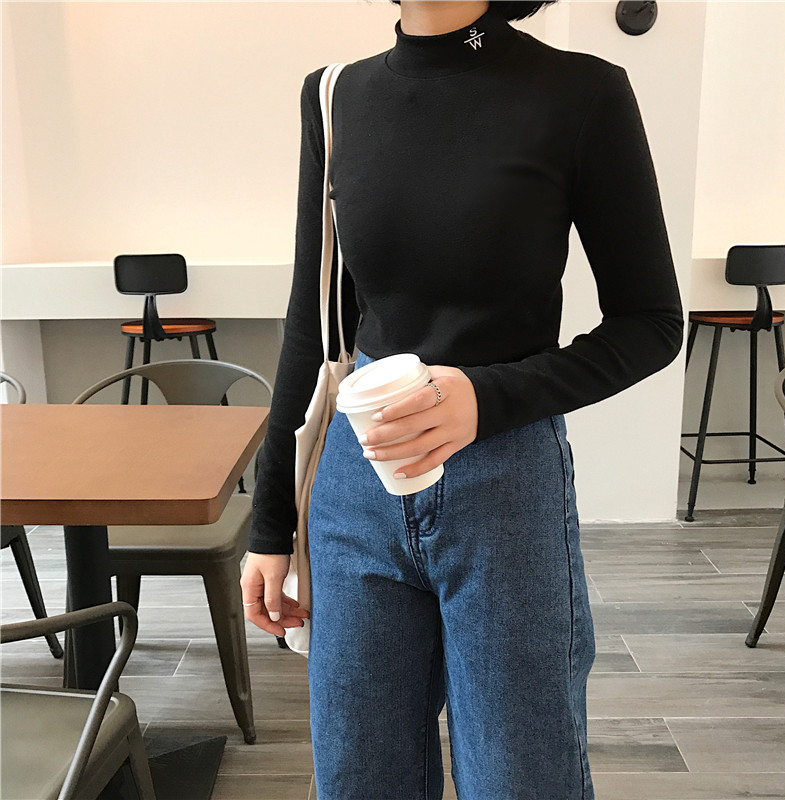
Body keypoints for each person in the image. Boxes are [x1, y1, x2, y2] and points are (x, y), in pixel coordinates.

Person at [241, 1, 684, 797]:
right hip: (355, 483)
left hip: (505, 480)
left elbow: (652, 323)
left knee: (520, 778)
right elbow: (313, 323)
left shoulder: (581, 93)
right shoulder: (333, 97)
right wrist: (270, 526)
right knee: (358, 778)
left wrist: (488, 395)